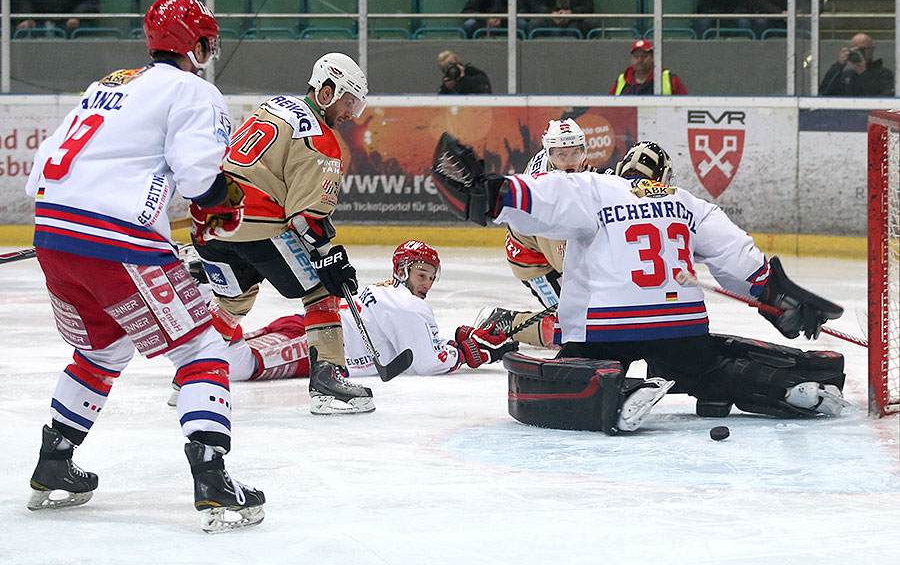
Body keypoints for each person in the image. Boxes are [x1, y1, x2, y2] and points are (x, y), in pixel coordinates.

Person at [22, 0, 264, 532]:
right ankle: (212, 479)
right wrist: (224, 199)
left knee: (101, 347)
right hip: (117, 242)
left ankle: (54, 461)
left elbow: (42, 169)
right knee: (201, 346)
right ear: (197, 44)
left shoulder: (108, 83)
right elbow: (200, 178)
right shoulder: (194, 90)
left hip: (53, 234)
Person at [433, 138, 851, 429]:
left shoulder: (597, 187)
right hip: (678, 327)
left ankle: (621, 392)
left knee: (565, 374)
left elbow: (544, 197)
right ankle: (791, 387)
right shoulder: (687, 202)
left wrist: (492, 193)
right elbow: (738, 260)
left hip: (604, 326)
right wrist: (775, 298)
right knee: (709, 370)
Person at [191, 52, 376, 415]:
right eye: (349, 101)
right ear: (326, 91)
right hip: (255, 224)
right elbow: (307, 220)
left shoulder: (275, 106)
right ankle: (328, 383)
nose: (352, 113)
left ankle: (192, 376)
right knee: (321, 288)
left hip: (209, 225)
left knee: (233, 300)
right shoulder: (322, 139)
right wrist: (330, 259)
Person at [182, 241, 518, 385]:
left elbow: (405, 345)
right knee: (236, 366)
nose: (427, 283)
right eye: (421, 275)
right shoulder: (410, 305)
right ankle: (206, 290)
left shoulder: (387, 290)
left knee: (214, 353)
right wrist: (465, 353)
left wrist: (453, 343)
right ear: (403, 270)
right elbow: (426, 364)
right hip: (313, 344)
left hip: (305, 325)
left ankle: (200, 295)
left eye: (431, 277)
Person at [476, 118, 593, 349]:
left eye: (575, 153)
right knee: (571, 329)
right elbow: (567, 263)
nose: (570, 162)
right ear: (550, 154)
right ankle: (504, 322)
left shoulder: (563, 168)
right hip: (533, 259)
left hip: (544, 246)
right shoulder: (547, 194)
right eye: (562, 155)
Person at [819, 33, 895, 97]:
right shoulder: (847, 75)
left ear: (872, 50)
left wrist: (863, 73)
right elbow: (825, 91)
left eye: (863, 49)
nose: (859, 53)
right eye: (855, 50)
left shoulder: (884, 74)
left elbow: (882, 97)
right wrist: (839, 65)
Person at [609, 39, 688, 95]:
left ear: (652, 57)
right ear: (631, 58)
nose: (640, 60)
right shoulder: (621, 80)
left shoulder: (670, 79)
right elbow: (608, 109)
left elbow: (684, 107)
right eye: (636, 56)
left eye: (644, 56)